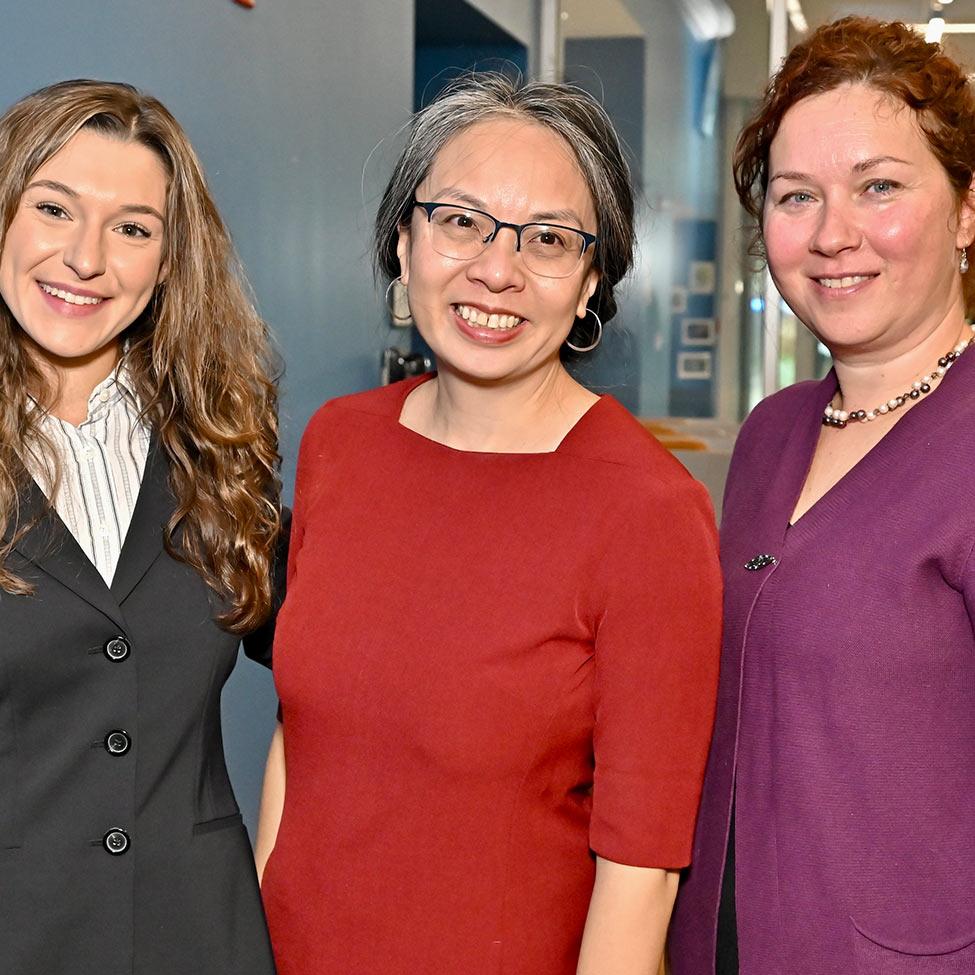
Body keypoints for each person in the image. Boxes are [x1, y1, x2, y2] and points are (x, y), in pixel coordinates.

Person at [256, 72, 722, 975]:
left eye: (548, 239)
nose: (495, 270)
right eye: (459, 220)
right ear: (405, 241)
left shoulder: (647, 511)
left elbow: (640, 874)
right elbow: (300, 737)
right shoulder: (338, 444)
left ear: (589, 281)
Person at [669, 17, 975, 975]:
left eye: (879, 186)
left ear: (966, 211)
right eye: (797, 196)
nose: (833, 234)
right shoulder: (771, 431)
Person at [0, 79, 285, 974]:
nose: (86, 257)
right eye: (54, 208)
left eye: (132, 227)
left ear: (168, 261)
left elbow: (337, 671)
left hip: (199, 934)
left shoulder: (224, 441)